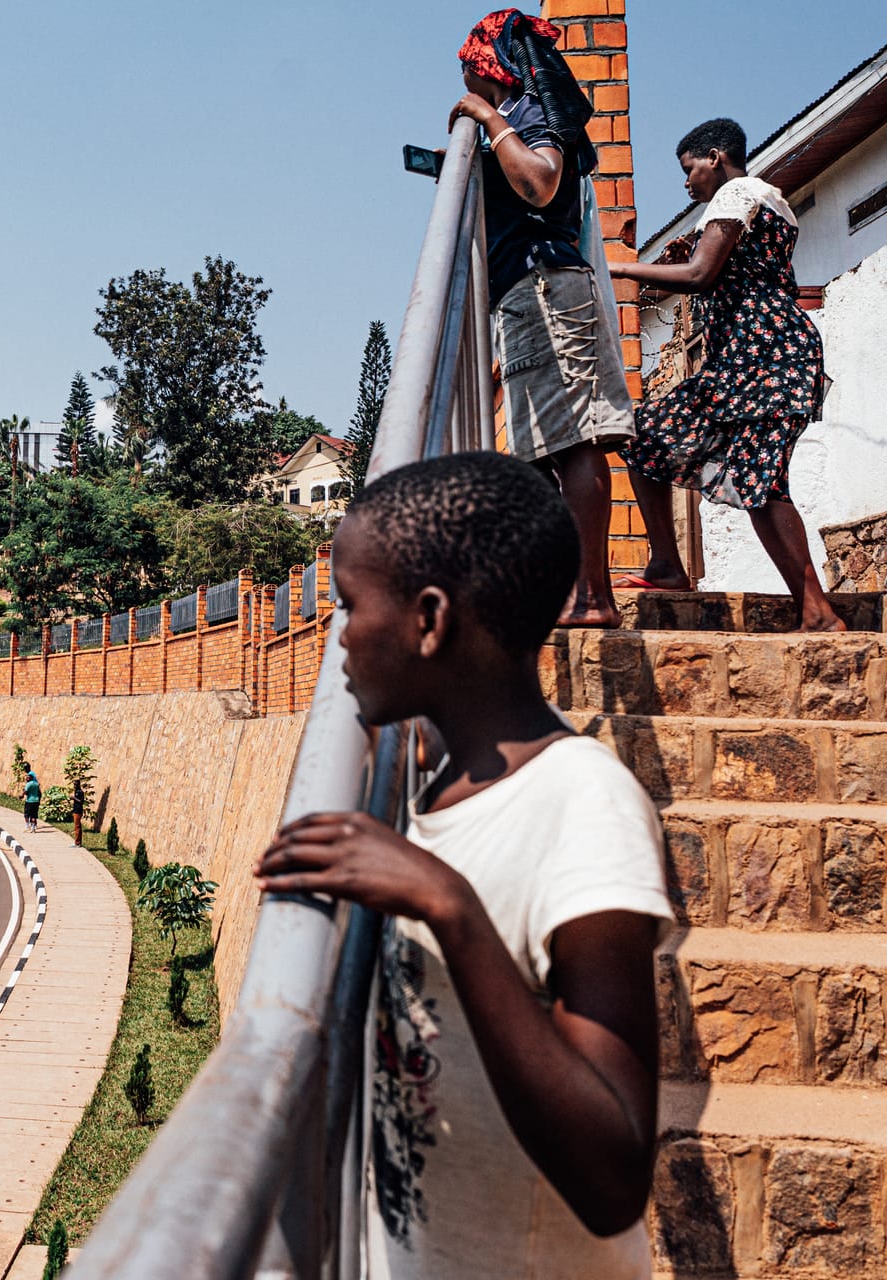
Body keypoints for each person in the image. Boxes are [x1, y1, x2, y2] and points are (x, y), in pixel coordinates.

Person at [256, 452, 670, 1278]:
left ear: (430, 620)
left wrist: (450, 905)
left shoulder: (585, 805)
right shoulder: (431, 779)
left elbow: (615, 1179)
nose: (337, 637)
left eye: (348, 606)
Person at [609, 118, 846, 632]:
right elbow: (718, 271)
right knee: (645, 436)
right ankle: (668, 567)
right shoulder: (766, 200)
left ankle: (819, 614)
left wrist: (623, 268)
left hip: (766, 358)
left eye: (689, 169)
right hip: (753, 361)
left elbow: (700, 275)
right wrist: (689, 256)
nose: (687, 183)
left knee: (762, 484)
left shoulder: (736, 192)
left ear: (715, 157)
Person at [452, 8, 634, 627]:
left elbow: (541, 184)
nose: (465, 86)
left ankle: (593, 598)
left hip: (547, 286)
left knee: (574, 441)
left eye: (468, 71)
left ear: (488, 68)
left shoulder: (528, 111)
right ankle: (565, 591)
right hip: (527, 295)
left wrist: (488, 118)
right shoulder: (521, 114)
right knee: (539, 452)